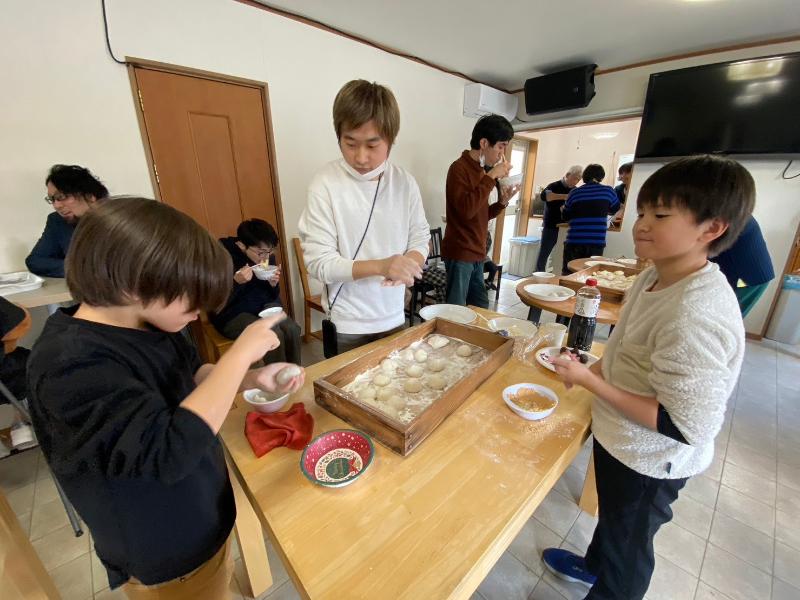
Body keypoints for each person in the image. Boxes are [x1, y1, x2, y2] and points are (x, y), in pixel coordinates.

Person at [26, 197, 305, 599]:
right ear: (133, 283)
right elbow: (167, 452)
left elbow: (194, 376)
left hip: (201, 514)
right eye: (192, 297)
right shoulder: (68, 363)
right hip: (165, 548)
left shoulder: (151, 323)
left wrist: (251, 378)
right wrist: (240, 354)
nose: (200, 311)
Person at [543, 155, 752, 599]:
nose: (641, 225)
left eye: (661, 215)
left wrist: (590, 382)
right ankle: (592, 565)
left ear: (711, 228)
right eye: (641, 212)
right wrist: (592, 370)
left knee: (629, 550)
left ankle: (609, 582)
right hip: (622, 439)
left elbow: (685, 425)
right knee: (614, 523)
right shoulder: (652, 276)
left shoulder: (697, 313)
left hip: (653, 460)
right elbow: (623, 348)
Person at [299, 79, 429, 355]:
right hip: (347, 324)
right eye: (350, 143)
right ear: (339, 136)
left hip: (394, 316)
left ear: (391, 139)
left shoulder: (404, 183)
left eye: (372, 145)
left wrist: (409, 263)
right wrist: (383, 266)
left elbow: (419, 236)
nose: (360, 157)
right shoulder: (325, 183)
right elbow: (319, 263)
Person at [441, 114, 518, 307]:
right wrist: (491, 176)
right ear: (484, 143)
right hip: (460, 252)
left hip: (477, 252)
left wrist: (502, 203)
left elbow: (480, 215)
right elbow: (466, 211)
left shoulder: (481, 170)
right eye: (500, 146)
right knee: (455, 311)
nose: (502, 154)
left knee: (481, 308)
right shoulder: (459, 169)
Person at [211, 219, 301, 364]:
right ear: (242, 245)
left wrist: (273, 285)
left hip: (263, 306)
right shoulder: (221, 257)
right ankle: (277, 376)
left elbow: (272, 295)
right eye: (261, 253)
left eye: (270, 251)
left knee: (292, 329)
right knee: (272, 333)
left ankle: (294, 372)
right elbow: (215, 301)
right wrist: (235, 283)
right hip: (232, 313)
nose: (266, 257)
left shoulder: (266, 255)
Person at [26, 164, 109, 277]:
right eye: (52, 199)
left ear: (90, 196)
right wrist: (81, 269)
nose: (56, 205)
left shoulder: (120, 219)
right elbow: (35, 261)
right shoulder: (57, 221)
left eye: (61, 197)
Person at [561, 164, 620, 274]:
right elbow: (614, 208)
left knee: (569, 274)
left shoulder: (574, 193)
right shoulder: (608, 191)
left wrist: (564, 209)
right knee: (591, 275)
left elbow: (565, 216)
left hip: (574, 241)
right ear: (601, 177)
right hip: (596, 242)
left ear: (584, 176)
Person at [710, 216, 774, 317]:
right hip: (752, 272)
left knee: (723, 316)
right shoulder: (734, 211)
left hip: (749, 276)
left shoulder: (726, 214)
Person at [535, 165, 583, 272]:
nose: (576, 181)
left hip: (566, 227)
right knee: (544, 252)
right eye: (575, 178)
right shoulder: (553, 186)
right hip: (551, 226)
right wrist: (566, 196)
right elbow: (546, 196)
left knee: (561, 254)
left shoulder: (575, 190)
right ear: (568, 175)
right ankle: (538, 274)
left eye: (579, 179)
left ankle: (556, 274)